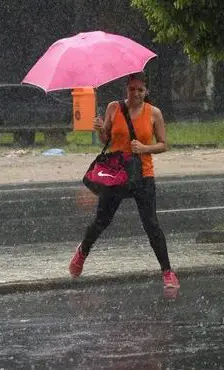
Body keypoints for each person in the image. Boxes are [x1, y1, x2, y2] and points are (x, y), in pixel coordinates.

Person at [69, 72, 179, 289]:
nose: (136, 93)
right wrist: (100, 130)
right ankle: (82, 251)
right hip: (117, 174)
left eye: (140, 90)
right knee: (102, 220)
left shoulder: (153, 113)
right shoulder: (114, 108)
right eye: (132, 89)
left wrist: (145, 148)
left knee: (151, 225)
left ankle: (167, 272)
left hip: (143, 175)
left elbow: (164, 144)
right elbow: (106, 140)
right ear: (126, 90)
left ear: (146, 92)